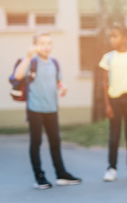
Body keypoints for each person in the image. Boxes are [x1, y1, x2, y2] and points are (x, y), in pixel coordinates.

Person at [12, 32, 82, 189]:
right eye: (42, 43)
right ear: (35, 45)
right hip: (35, 109)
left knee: (55, 141)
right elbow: (18, 75)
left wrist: (62, 88)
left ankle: (61, 174)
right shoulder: (31, 61)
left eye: (49, 43)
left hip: (52, 109)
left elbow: (58, 82)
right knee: (36, 142)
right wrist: (28, 56)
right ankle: (39, 177)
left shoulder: (54, 63)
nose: (46, 46)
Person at [99, 24, 127, 182]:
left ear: (125, 38)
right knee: (114, 135)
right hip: (114, 100)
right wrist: (107, 105)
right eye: (110, 36)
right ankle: (111, 168)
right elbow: (105, 84)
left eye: (115, 36)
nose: (112, 39)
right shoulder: (108, 58)